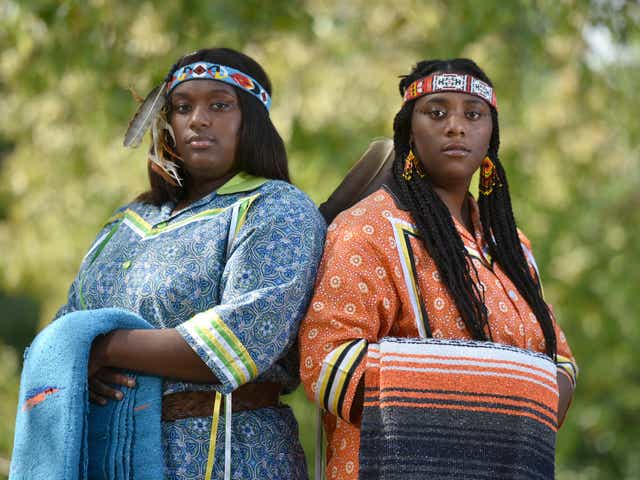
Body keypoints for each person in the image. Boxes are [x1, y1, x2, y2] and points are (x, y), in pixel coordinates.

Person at [299, 58, 577, 479]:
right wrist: (501, 397)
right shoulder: (366, 230)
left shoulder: (512, 246)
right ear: (410, 130)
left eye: (473, 114)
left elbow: (561, 364)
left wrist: (513, 412)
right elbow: (328, 364)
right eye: (437, 112)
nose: (456, 126)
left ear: (491, 134)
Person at [55, 47, 326, 479]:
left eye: (220, 105)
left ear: (251, 121)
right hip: (108, 456)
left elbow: (237, 341)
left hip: (227, 457)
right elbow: (65, 326)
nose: (198, 119)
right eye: (182, 107)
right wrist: (73, 359)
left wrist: (100, 349)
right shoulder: (126, 223)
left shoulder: (276, 209)